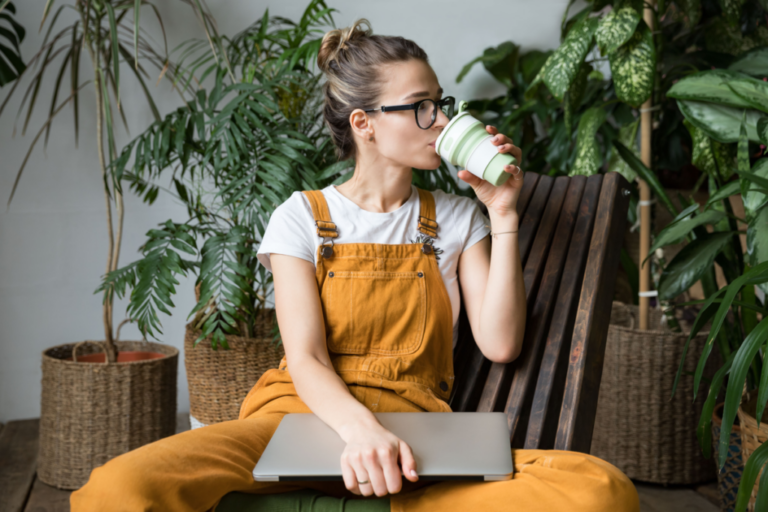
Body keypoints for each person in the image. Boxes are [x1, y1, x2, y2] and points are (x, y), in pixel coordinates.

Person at [71, 18, 640, 512]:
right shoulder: (300, 216)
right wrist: (360, 432)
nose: (439, 120)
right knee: (115, 490)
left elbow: (500, 344)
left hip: (415, 435)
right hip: (295, 417)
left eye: (440, 103)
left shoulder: (459, 218)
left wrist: (504, 211)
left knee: (599, 490)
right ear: (364, 124)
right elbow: (307, 358)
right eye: (420, 108)